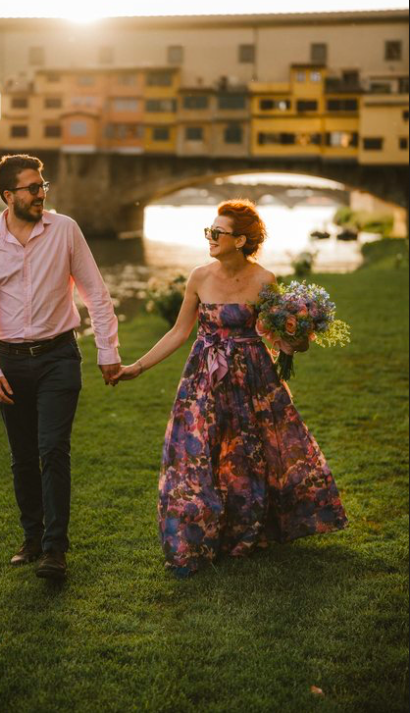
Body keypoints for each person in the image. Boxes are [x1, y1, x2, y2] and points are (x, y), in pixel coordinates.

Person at [116, 199, 348, 577]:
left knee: (249, 453)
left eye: (217, 232)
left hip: (253, 377)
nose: (210, 237)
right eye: (209, 231)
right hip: (205, 376)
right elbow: (179, 331)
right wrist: (137, 367)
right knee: (197, 450)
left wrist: (298, 336)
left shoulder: (265, 280)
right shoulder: (199, 276)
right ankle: (197, 528)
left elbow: (277, 337)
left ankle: (246, 530)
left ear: (240, 240)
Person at [0, 154, 121, 581]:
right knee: (22, 457)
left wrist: (108, 352)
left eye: (42, 186)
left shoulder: (65, 230)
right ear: (8, 195)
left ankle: (55, 549)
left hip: (58, 358)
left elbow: (97, 294)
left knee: (52, 450)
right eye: (32, 188)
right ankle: (32, 538)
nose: (41, 194)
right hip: (10, 363)